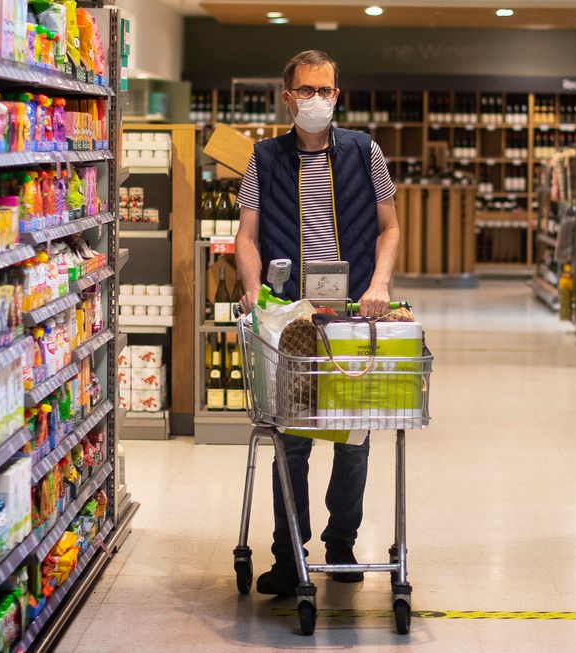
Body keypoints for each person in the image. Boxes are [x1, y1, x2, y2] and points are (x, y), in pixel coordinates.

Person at [234, 49, 402, 597]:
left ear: (337, 94)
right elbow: (247, 236)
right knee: (294, 441)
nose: (317, 100)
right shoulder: (263, 158)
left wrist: (380, 285)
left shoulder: (365, 151)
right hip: (292, 321)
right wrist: (252, 289)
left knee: (353, 439)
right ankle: (289, 556)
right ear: (288, 97)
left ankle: (341, 544)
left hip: (354, 315)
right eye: (306, 90)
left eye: (325, 90)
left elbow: (389, 228)